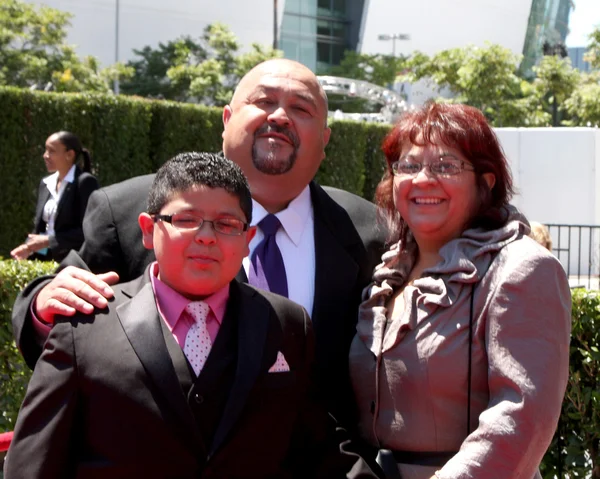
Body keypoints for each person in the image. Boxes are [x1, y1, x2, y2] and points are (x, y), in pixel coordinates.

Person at [11, 59, 386, 427]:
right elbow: (55, 313)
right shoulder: (128, 210)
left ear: (324, 140)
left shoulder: (370, 231)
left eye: (301, 107)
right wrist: (43, 307)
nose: (280, 117)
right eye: (263, 101)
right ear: (226, 121)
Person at [5, 153, 370, 479]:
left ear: (248, 238)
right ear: (149, 230)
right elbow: (34, 460)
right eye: (186, 219)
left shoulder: (286, 323)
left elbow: (315, 442)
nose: (206, 237)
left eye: (227, 224)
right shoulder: (85, 325)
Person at [349, 103, 571, 479]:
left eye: (446, 166)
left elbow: (521, 417)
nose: (423, 179)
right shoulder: (387, 271)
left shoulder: (520, 267)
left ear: (486, 183)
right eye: (409, 165)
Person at [10, 131, 99, 262]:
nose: (45, 156)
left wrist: (48, 241)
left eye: (51, 151)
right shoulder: (46, 183)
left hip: (72, 262)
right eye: (46, 150)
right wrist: (28, 248)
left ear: (69, 155)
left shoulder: (85, 182)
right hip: (45, 261)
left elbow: (88, 231)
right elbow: (41, 228)